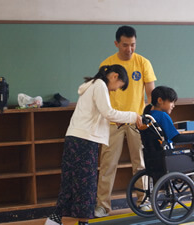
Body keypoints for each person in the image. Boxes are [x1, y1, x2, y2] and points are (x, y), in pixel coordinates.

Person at [44, 64, 142, 225]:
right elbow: (108, 112)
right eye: (119, 87)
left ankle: (55, 218)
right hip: (85, 140)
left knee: (70, 180)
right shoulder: (100, 85)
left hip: (74, 138)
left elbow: (98, 115)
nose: (116, 90)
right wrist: (133, 116)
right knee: (86, 184)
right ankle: (82, 222)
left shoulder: (91, 86)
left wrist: (117, 121)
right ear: (114, 76)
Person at [95, 25, 157, 217]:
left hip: (136, 121)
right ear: (116, 44)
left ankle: (144, 201)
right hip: (112, 123)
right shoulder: (107, 65)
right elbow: (101, 95)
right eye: (125, 45)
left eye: (132, 45)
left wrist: (149, 117)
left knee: (140, 164)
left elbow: (151, 94)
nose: (129, 49)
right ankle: (103, 206)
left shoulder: (143, 63)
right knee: (107, 166)